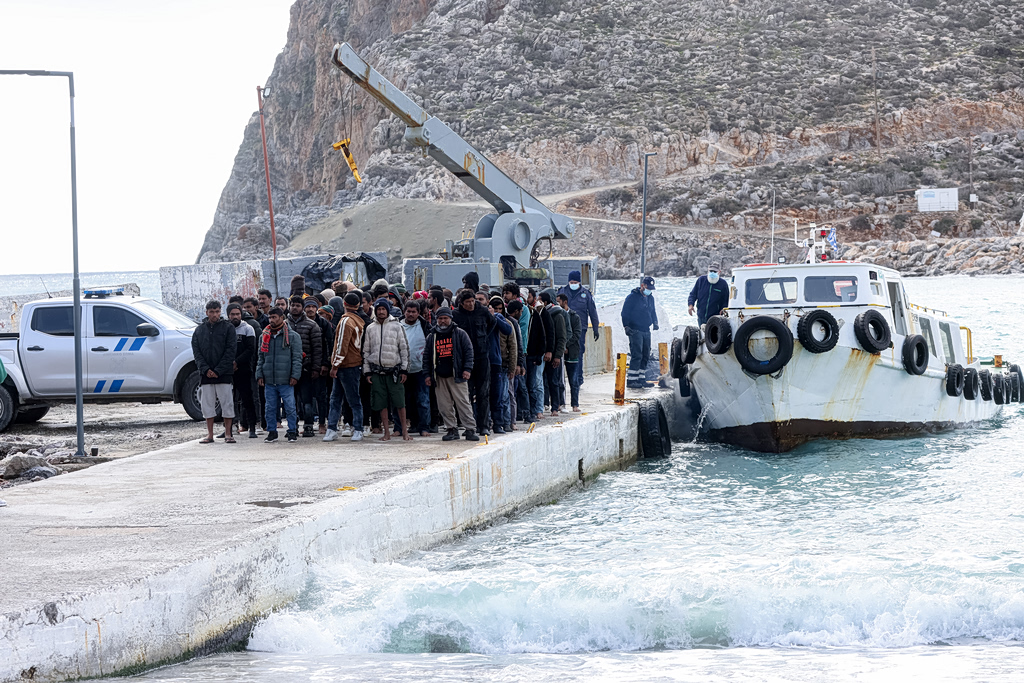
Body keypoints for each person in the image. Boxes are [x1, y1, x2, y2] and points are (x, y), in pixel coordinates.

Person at [423, 306, 478, 441]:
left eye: (445, 318)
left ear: (451, 319)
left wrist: (467, 369)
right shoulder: (432, 336)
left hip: (457, 375)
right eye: (440, 318)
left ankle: (470, 429)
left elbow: (469, 352)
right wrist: (427, 375)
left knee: (463, 403)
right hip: (439, 376)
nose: (442, 321)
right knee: (444, 405)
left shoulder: (460, 334)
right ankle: (451, 429)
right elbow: (426, 357)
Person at [363, 298, 411, 441]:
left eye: (383, 309)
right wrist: (367, 371)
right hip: (377, 371)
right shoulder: (370, 328)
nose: (381, 312)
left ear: (388, 310)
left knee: (400, 402)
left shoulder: (397, 326)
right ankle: (386, 433)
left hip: (394, 371)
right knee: (381, 403)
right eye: (379, 309)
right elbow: (366, 351)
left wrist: (404, 369)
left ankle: (404, 432)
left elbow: (404, 349)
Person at [191, 300, 237, 444]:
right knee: (207, 404)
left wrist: (218, 370)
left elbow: (231, 350)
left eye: (217, 311)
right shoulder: (199, 330)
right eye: (211, 312)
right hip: (206, 374)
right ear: (206, 312)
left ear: (220, 311)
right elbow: (197, 353)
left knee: (227, 403)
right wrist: (206, 369)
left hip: (224, 373)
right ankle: (210, 434)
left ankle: (228, 433)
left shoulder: (228, 328)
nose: (214, 315)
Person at [453, 288, 497, 435]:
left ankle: (484, 425)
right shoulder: (456, 315)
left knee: (483, 393)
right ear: (461, 303)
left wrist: (483, 339)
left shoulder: (483, 311)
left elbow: (492, 324)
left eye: (472, 301)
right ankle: (469, 426)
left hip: (482, 357)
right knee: (466, 394)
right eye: (468, 302)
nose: (471, 304)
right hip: (464, 360)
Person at [256, 306, 302, 442]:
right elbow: (261, 357)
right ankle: (272, 432)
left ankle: (292, 431)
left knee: (290, 407)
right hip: (269, 379)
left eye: (274, 317)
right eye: (270, 317)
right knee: (270, 408)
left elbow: (297, 358)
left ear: (282, 318)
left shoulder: (293, 336)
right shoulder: (264, 336)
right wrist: (259, 374)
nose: (271, 320)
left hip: (286, 379)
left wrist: (295, 376)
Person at [324, 292, 365, 442]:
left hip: (345, 365)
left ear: (344, 304)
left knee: (339, 399)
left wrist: (335, 365)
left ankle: (343, 428)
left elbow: (341, 345)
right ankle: (350, 428)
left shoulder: (345, 321)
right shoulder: (359, 321)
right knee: (350, 399)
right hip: (355, 364)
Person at [287, 295, 323, 437]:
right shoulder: (284, 324)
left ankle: (308, 426)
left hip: (306, 368)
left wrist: (316, 368)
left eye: (298, 305)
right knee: (290, 400)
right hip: (288, 369)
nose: (295, 308)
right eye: (293, 305)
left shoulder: (311, 325)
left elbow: (317, 349)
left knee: (306, 400)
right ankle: (293, 427)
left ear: (302, 308)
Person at [558, 270, 600, 388]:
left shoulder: (586, 294)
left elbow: (592, 312)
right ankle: (561, 380)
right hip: (563, 327)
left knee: (578, 353)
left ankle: (577, 379)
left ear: (579, 282)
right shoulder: (562, 292)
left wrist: (595, 328)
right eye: (571, 282)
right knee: (561, 352)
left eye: (575, 282)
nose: (573, 284)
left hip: (579, 329)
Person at [399, 300, 432, 437]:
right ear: (404, 312)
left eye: (414, 312)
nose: (411, 314)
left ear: (418, 313)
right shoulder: (398, 326)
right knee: (402, 400)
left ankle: (424, 427)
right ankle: (400, 428)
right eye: (408, 311)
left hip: (421, 369)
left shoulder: (425, 326)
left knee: (423, 400)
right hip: (402, 369)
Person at [226, 303, 259, 438]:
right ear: (228, 315)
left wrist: (237, 362)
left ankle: (252, 427)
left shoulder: (248, 329)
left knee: (247, 399)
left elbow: (251, 349)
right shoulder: (225, 329)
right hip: (227, 370)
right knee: (228, 400)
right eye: (232, 314)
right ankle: (229, 428)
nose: (235, 317)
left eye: (238, 314)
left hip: (244, 369)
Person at [621, 276, 659, 389]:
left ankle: (641, 378)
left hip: (646, 329)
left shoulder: (650, 298)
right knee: (637, 354)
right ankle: (632, 380)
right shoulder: (632, 297)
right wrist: (626, 326)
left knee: (645, 354)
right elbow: (625, 312)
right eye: (648, 288)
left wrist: (655, 322)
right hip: (635, 329)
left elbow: (653, 311)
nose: (649, 290)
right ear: (642, 285)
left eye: (651, 289)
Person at [487, 296, 516, 433]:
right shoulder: (478, 317)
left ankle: (504, 423)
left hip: (500, 363)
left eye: (500, 309)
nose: (498, 311)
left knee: (502, 396)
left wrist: (513, 366)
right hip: (482, 362)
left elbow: (513, 344)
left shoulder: (502, 320)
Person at [523, 289, 553, 421]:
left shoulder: (539, 312)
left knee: (537, 381)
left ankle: (538, 409)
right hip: (527, 352)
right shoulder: (523, 312)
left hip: (537, 352)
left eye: (528, 297)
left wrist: (548, 350)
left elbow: (548, 333)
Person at [304, 298, 332, 434]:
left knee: (321, 396)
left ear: (317, 308)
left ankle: (322, 423)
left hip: (320, 365)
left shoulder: (324, 323)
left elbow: (328, 344)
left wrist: (325, 363)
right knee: (306, 397)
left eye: (312, 307)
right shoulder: (301, 323)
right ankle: (308, 424)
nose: (310, 309)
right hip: (305, 365)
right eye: (308, 306)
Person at [540, 289, 567, 416]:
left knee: (553, 382)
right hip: (541, 353)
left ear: (545, 302)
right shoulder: (540, 314)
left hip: (554, 355)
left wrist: (557, 356)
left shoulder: (558, 316)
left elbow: (561, 337)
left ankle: (555, 407)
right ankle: (544, 404)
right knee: (542, 382)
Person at [557, 293, 583, 412]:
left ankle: (575, 404)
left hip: (572, 352)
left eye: (559, 302)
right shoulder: (557, 314)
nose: (557, 304)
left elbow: (576, 334)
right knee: (559, 380)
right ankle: (560, 403)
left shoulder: (574, 317)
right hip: (560, 352)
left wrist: (565, 345)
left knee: (573, 380)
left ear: (565, 302)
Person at [688, 259, 730, 326]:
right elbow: (693, 294)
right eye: (711, 271)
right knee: (702, 331)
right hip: (701, 315)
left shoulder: (723, 284)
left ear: (719, 272)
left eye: (715, 271)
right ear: (708, 270)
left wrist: (723, 309)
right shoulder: (701, 280)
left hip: (715, 317)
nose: (712, 273)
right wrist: (690, 305)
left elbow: (726, 299)